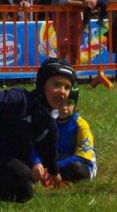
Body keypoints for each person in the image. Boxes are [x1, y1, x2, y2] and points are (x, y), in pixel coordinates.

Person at [0, 58, 76, 202]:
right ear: (42, 84)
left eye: (67, 87)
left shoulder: (49, 125)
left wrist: (54, 173)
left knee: (24, 192)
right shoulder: (19, 100)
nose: (62, 91)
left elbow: (50, 152)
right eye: (57, 84)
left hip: (7, 157)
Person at [32, 83, 97, 182]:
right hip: (55, 160)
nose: (64, 108)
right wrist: (37, 163)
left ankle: (55, 176)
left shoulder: (80, 125)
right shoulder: (46, 121)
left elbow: (83, 156)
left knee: (77, 170)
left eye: (69, 103)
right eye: (60, 103)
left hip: (77, 162)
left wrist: (55, 167)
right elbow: (34, 145)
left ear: (74, 104)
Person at [51, 0, 98, 65]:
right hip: (61, 15)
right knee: (63, 44)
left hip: (77, 14)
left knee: (75, 44)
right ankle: (62, 69)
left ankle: (74, 71)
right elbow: (61, 0)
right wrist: (83, 4)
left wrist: (94, 0)